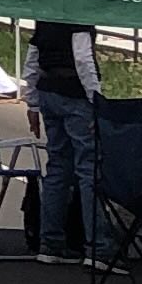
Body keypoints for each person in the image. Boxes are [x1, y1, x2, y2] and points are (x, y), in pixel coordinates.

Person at [26, 20, 102, 262]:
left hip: (48, 91)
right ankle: (98, 248)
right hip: (75, 95)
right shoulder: (78, 17)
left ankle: (50, 243)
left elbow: (32, 58)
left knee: (58, 167)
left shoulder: (46, 14)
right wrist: (96, 100)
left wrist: (32, 101)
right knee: (89, 169)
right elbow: (83, 59)